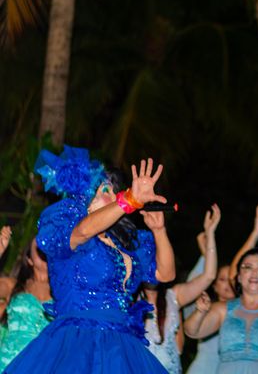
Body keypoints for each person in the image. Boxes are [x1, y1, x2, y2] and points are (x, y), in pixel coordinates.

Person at [5, 146, 175, 373]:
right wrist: (130, 200)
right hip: (77, 342)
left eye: (117, 191)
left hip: (122, 346)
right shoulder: (70, 228)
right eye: (106, 189)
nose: (115, 196)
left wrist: (159, 230)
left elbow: (166, 274)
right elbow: (84, 231)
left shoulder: (126, 245)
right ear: (88, 197)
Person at [144, 204, 221, 373]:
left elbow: (208, 275)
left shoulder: (174, 295)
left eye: (158, 262)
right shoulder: (128, 299)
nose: (153, 267)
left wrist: (210, 233)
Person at [184, 248, 258, 373]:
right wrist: (200, 311)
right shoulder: (223, 309)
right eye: (247, 267)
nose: (254, 272)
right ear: (239, 277)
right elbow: (192, 331)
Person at [0, 239, 52, 370]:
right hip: (10, 361)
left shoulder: (64, 293)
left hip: (45, 364)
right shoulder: (15, 286)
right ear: (29, 259)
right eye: (39, 245)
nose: (44, 247)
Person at [185, 264, 235, 374]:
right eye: (222, 279)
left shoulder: (248, 314)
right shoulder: (204, 308)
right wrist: (206, 254)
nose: (228, 283)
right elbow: (192, 283)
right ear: (215, 286)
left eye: (231, 279)